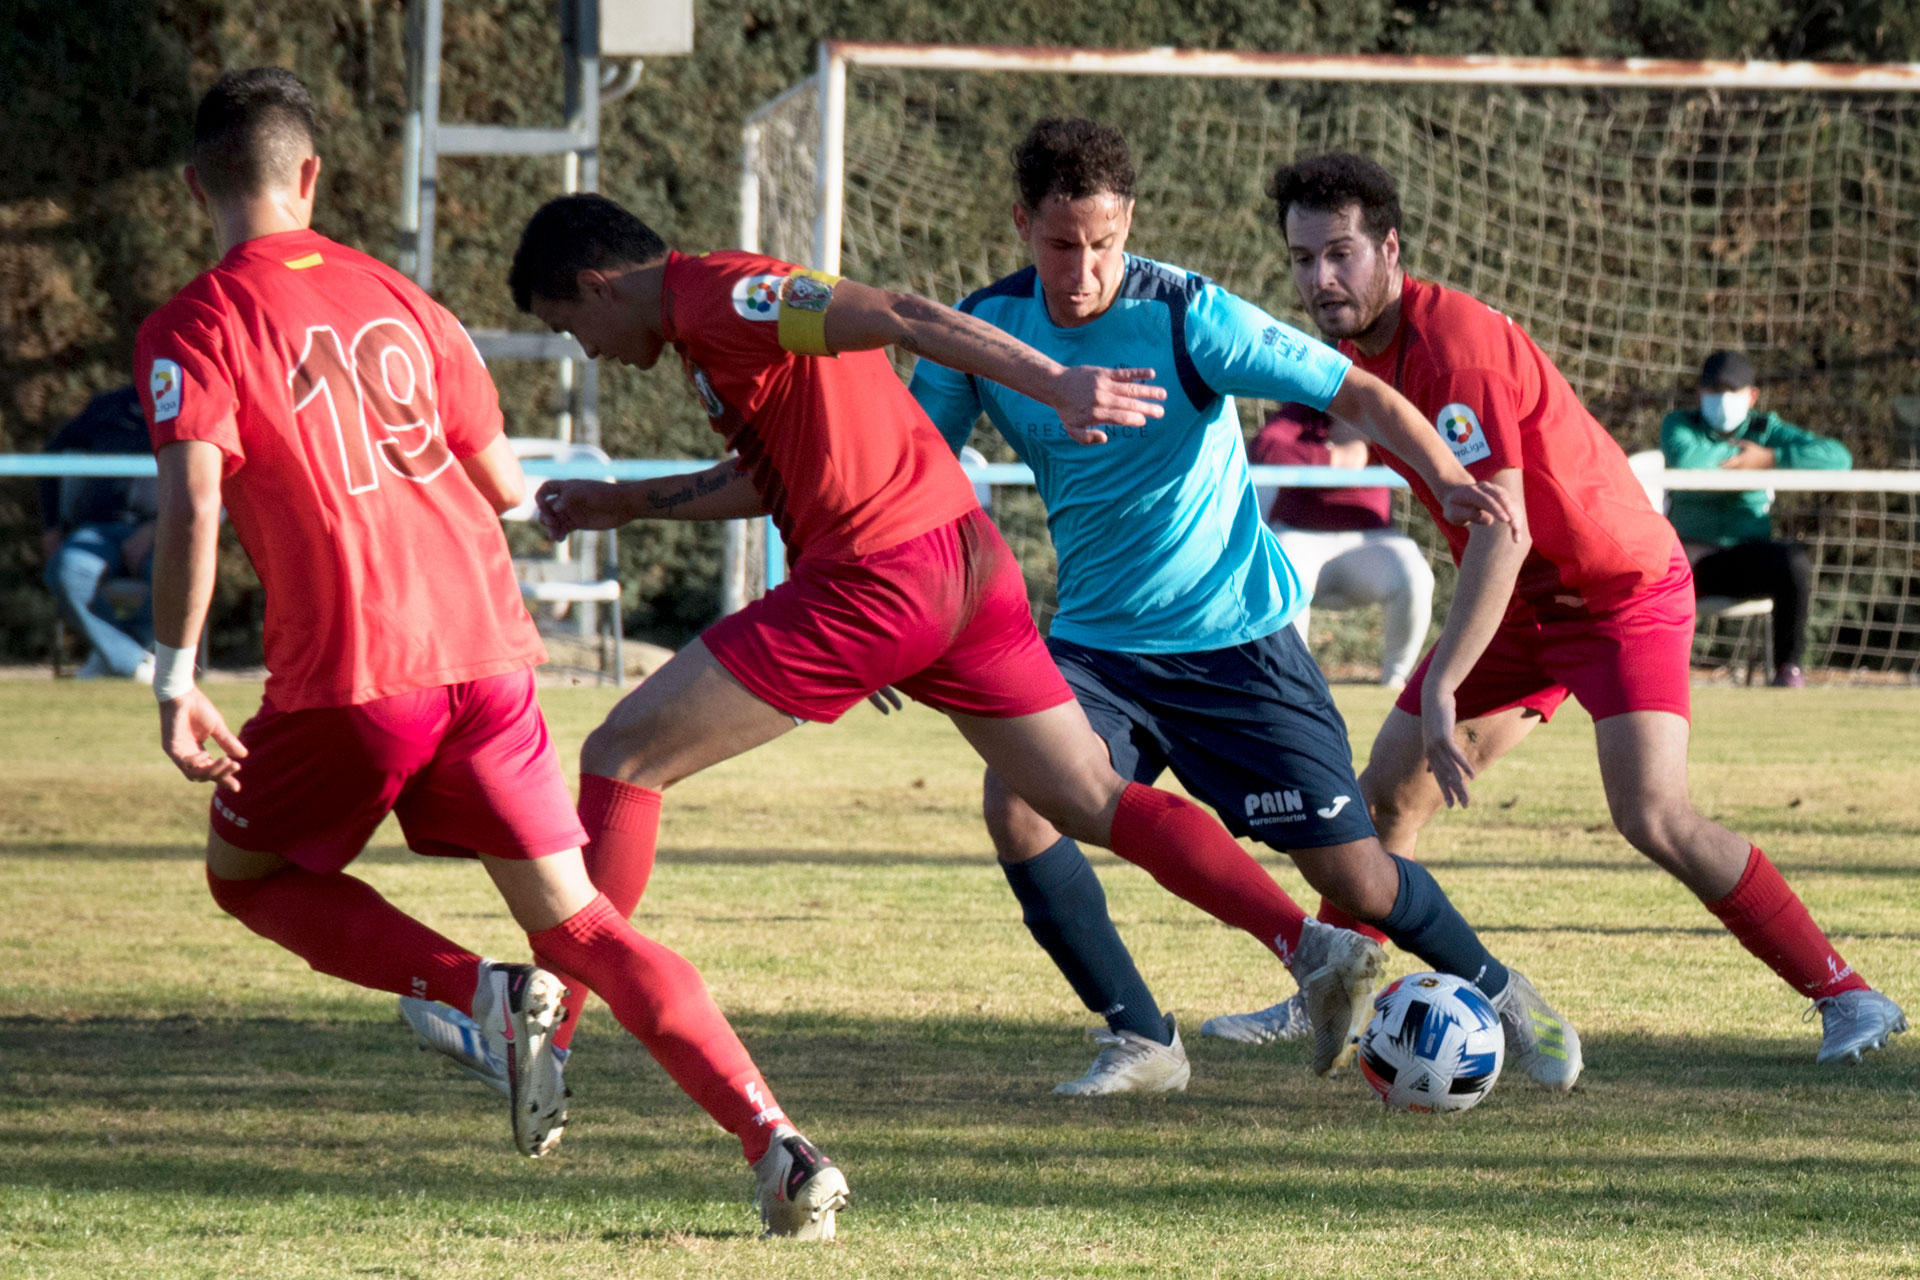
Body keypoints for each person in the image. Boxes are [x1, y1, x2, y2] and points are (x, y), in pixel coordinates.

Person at [137, 67, 848, 1241]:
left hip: (356, 670)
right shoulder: (413, 305)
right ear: (312, 175)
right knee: (584, 925)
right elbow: (505, 484)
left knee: (247, 876)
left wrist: (172, 673)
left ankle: (481, 993)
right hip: (489, 654)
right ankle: (780, 1147)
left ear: (193, 185)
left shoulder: (196, 322)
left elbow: (195, 503)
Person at [510, 188, 1393, 1097]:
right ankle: (1310, 945)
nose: (587, 351)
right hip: (963, 566)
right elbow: (774, 471)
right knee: (1087, 793)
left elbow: (901, 316)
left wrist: (1054, 381)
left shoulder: (730, 296)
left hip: (878, 575)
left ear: (597, 284)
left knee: (622, 757)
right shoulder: (711, 327)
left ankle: (550, 1033)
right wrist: (624, 502)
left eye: (570, 326)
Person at [907, 117, 1579, 1096]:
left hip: (1238, 645)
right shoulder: (981, 332)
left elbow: (1355, 392)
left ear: (1127, 222)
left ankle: (1507, 994)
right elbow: (914, 478)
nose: (1084, 267)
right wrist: (900, 608)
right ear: (1022, 225)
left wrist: (1447, 470)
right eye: (1061, 245)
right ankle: (1142, 1038)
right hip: (1095, 648)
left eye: (1103, 242)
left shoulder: (1189, 314)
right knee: (1019, 803)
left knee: (1353, 879)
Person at [1265, 150, 1905, 1065]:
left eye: (1339, 254)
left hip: (1620, 592)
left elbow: (1506, 529)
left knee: (1654, 816)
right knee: (1388, 791)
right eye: (1301, 260)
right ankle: (1331, 995)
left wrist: (1442, 680)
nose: (1320, 278)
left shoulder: (1455, 345)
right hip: (1522, 604)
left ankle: (1850, 998)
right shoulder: (1353, 355)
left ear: (1389, 247)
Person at [1660, 350, 1852, 688]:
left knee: (1793, 561)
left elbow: (1837, 458)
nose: (1721, 399)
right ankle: (1656, 674)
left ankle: (1787, 668)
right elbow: (1689, 458)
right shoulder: (1679, 424)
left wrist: (1770, 458)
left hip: (1746, 554)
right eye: (1712, 390)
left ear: (1752, 396)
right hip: (1689, 558)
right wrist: (1744, 459)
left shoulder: (1767, 430)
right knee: (1654, 564)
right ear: (1699, 394)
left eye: (1731, 391)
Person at [1251, 401, 1436, 688]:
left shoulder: (1380, 411)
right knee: (1281, 568)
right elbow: (1265, 448)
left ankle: (1395, 682)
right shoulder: (1302, 413)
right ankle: (1295, 683)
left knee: (1415, 573)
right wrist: (1336, 458)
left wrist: (1368, 445)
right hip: (1298, 533)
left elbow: (1420, 449)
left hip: (1370, 539)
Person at [39, 386, 160, 682]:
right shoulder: (109, 406)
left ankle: (115, 656)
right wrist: (51, 526)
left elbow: (216, 484)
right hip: (98, 533)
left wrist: (156, 529)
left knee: (183, 574)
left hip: (164, 532)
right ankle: (130, 661)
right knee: (66, 569)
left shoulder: (193, 405)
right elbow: (51, 457)